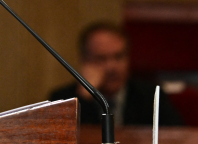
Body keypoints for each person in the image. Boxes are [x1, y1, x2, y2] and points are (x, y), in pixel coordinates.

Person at [48, 22, 184, 126]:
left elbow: (176, 137)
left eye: (118, 57)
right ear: (85, 62)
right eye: (101, 58)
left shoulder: (152, 96)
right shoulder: (62, 100)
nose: (111, 67)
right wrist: (84, 98)